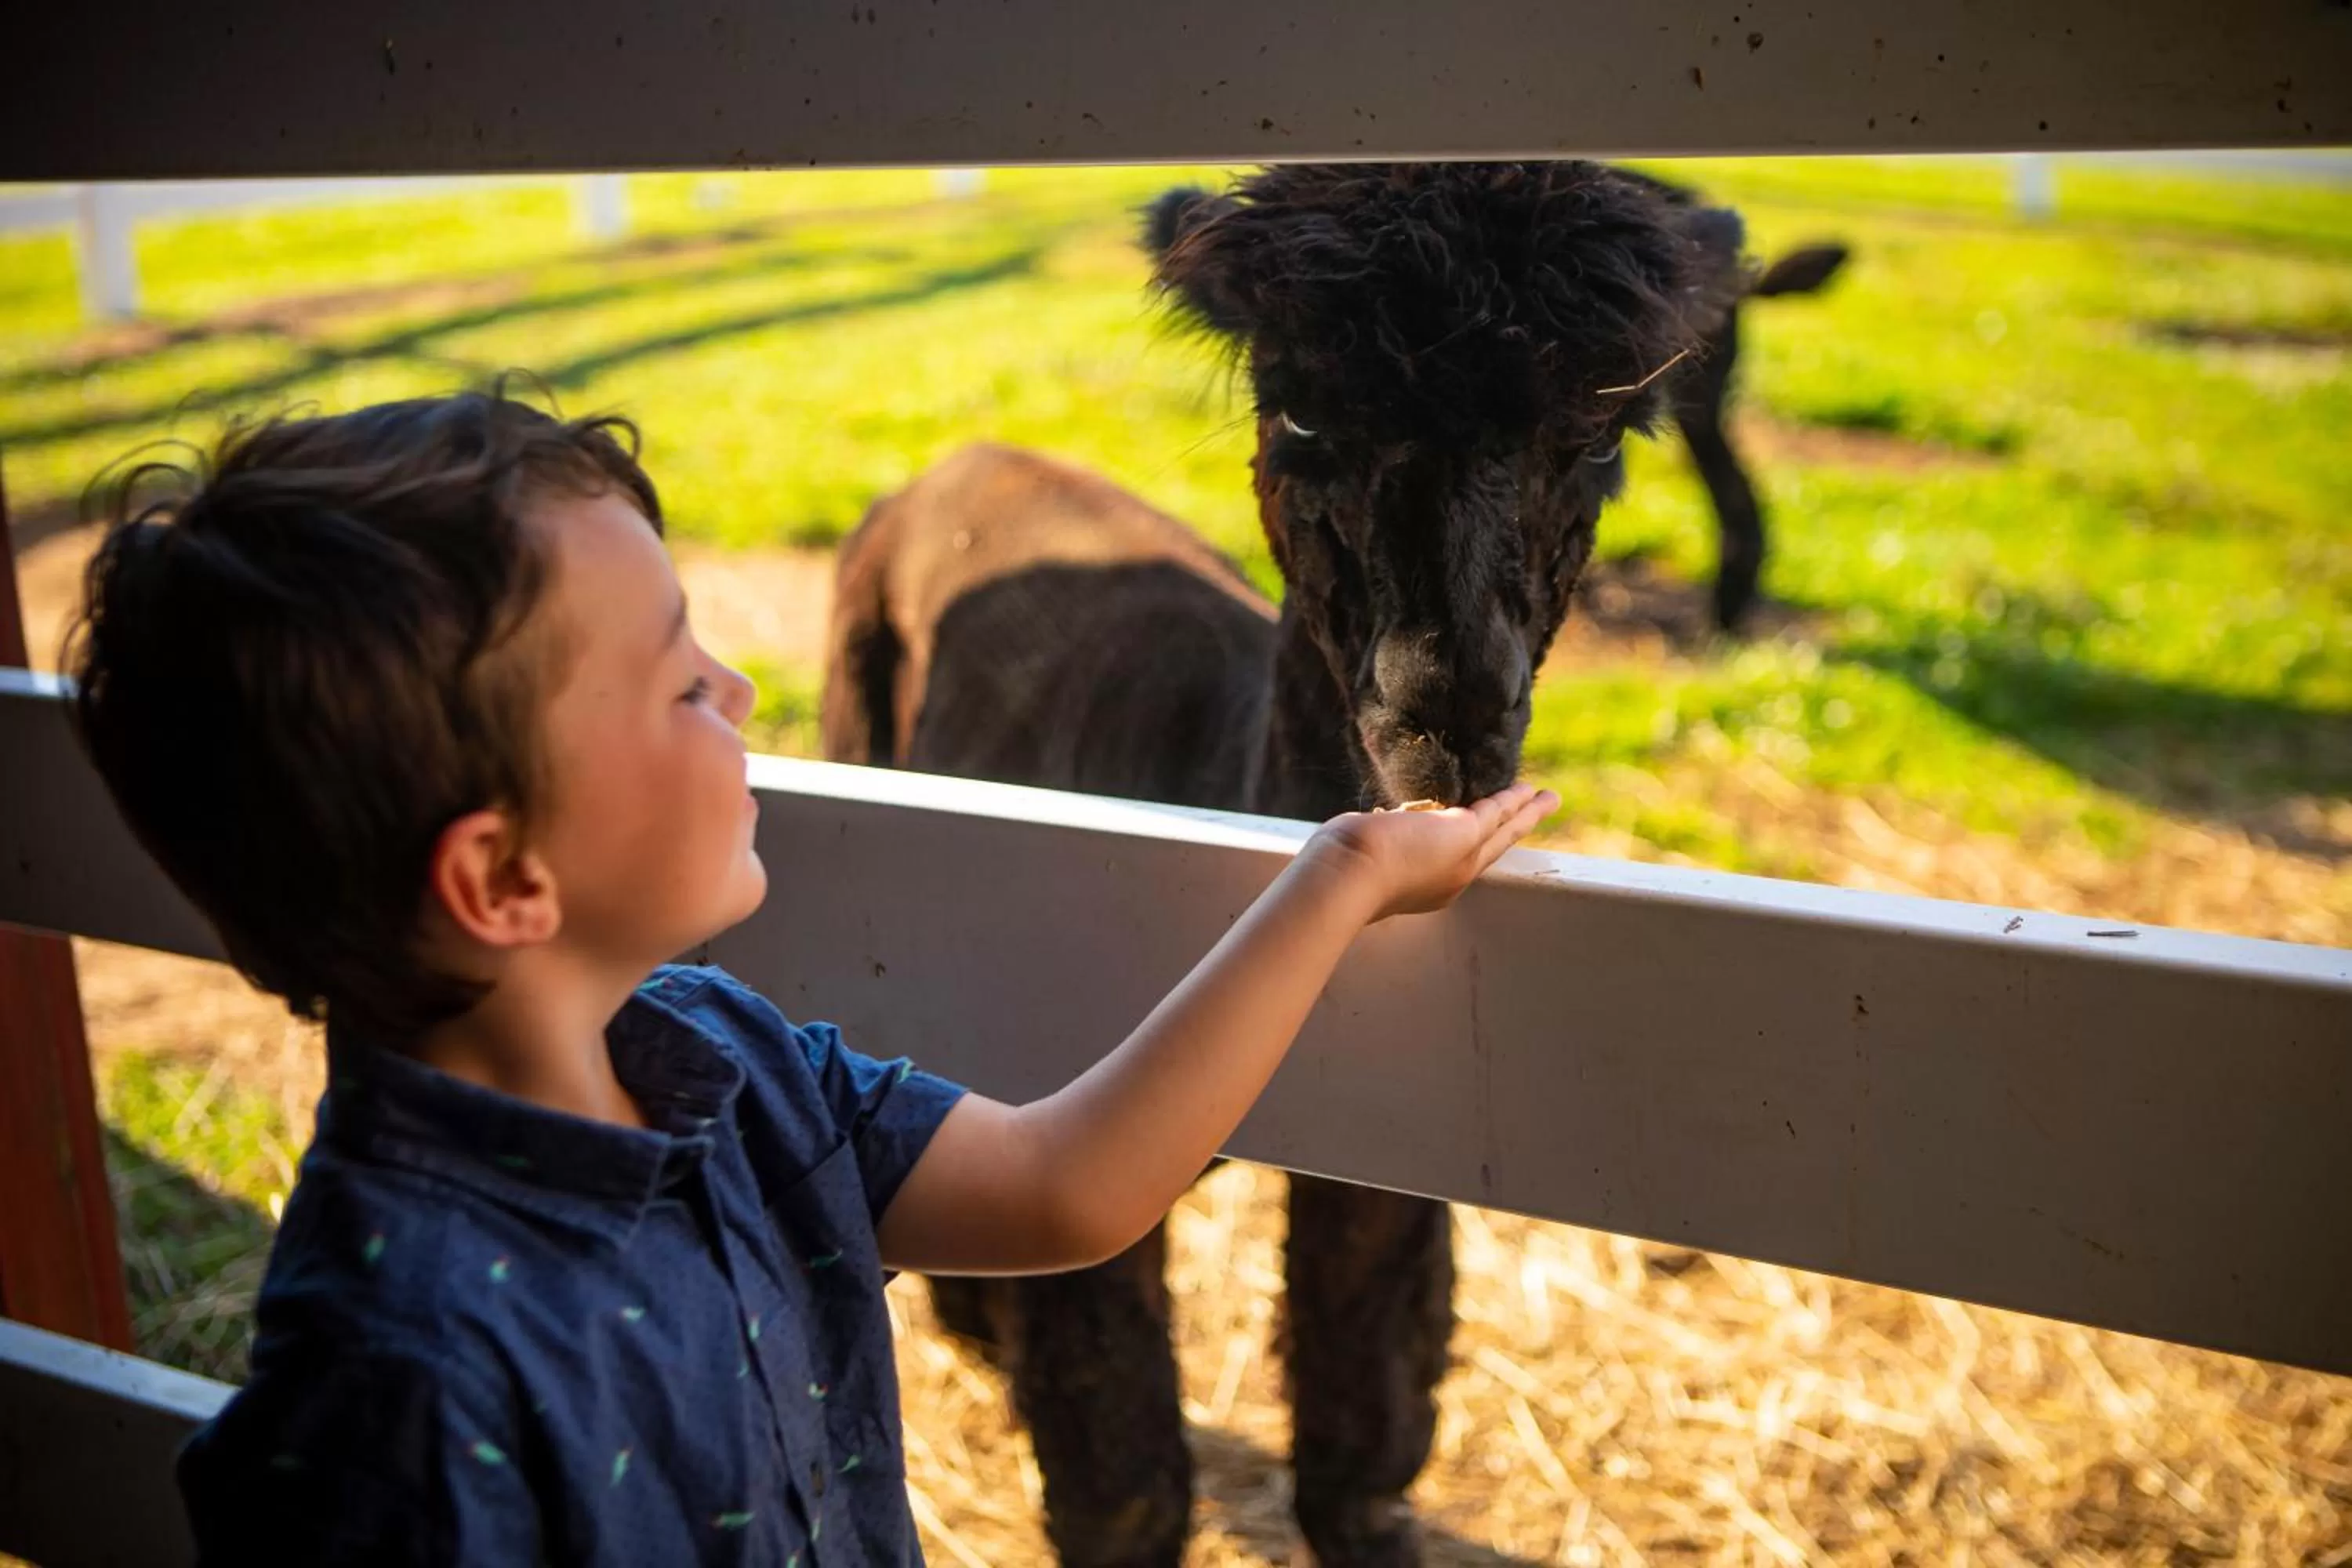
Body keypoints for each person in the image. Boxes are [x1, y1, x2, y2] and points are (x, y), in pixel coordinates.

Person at [68, 389, 1555, 1566]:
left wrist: (1336, 880)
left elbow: (1068, 1186)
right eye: (679, 682)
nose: (746, 694)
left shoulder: (728, 1065)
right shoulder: (392, 1400)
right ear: (505, 880)